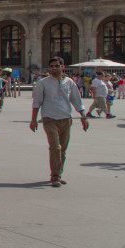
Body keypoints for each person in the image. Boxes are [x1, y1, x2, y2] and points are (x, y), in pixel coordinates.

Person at [30, 57, 89, 187]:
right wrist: (33, 120)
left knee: (63, 149)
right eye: (51, 66)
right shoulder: (43, 83)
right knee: (55, 147)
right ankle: (55, 177)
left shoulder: (70, 83)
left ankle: (58, 173)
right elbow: (37, 102)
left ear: (63, 67)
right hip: (49, 118)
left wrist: (83, 116)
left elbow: (76, 100)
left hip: (66, 119)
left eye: (56, 66)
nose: (54, 68)